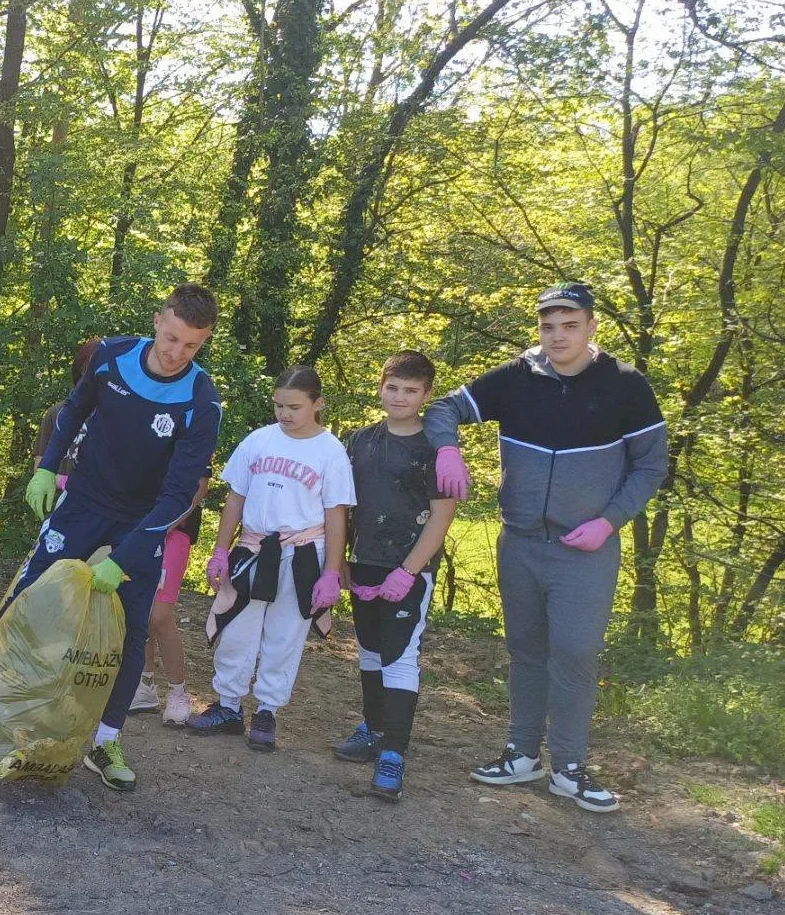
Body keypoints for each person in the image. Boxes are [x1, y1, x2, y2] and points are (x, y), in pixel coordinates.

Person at [427, 282, 666, 813]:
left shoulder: (626, 386)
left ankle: (571, 766)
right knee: (526, 650)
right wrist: (449, 452)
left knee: (576, 653)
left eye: (569, 325)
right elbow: (441, 409)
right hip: (521, 542)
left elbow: (651, 465)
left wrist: (609, 522)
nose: (557, 336)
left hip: (586, 549)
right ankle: (521, 754)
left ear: (591, 326)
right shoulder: (517, 377)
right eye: (547, 325)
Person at [17, 284, 223, 791]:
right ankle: (2, 704)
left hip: (142, 522)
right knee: (29, 599)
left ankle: (106, 740)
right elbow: (72, 411)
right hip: (82, 504)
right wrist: (46, 469)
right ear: (158, 321)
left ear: (204, 342)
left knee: (132, 631)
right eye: (172, 337)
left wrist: (127, 554)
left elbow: (179, 494)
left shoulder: (202, 401)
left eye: (192, 345)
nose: (177, 352)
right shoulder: (111, 357)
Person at [189, 366, 353, 753]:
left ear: (317, 404)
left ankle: (267, 710)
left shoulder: (331, 452)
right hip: (253, 547)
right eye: (279, 405)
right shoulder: (258, 441)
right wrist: (219, 549)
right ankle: (228, 705)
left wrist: (331, 571)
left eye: (294, 406)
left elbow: (336, 514)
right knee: (237, 628)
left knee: (285, 634)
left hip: (302, 553)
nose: (284, 414)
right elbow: (236, 498)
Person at [331, 351, 457, 800]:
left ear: (426, 394)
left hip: (409, 569)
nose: (399, 397)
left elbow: (442, 516)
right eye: (392, 388)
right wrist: (338, 560)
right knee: (367, 649)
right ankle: (373, 728)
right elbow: (341, 505)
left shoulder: (435, 451)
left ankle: (394, 754)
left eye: (410, 390)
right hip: (363, 561)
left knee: (399, 656)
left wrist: (409, 570)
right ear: (381, 387)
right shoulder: (358, 440)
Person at [136, 500, 207, 724]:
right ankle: (145, 686)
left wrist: (167, 523)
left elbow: (198, 488)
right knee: (141, 612)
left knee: (160, 615)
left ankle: (178, 692)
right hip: (140, 528)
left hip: (174, 530)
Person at [31, 337, 103, 489]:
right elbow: (39, 470)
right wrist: (66, 482)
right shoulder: (56, 413)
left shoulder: (117, 416)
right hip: (57, 504)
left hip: (99, 506)